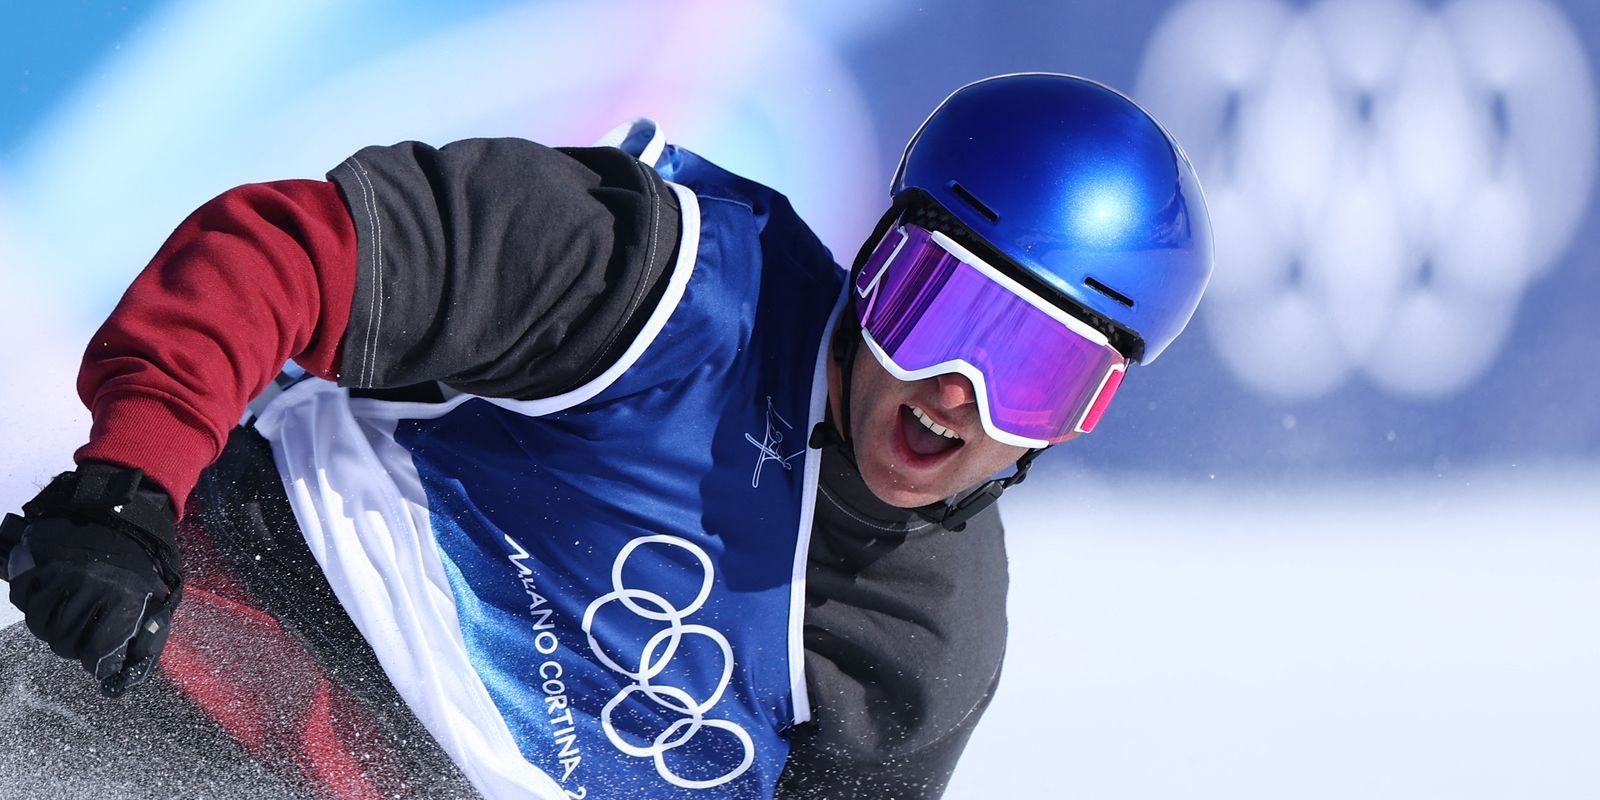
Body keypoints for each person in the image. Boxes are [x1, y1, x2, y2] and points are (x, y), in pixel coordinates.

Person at [0, 73, 1211, 799]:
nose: (959, 393)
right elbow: (290, 249)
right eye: (938, 311)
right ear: (877, 260)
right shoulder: (658, 280)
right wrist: (128, 488)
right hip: (186, 680)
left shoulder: (927, 639)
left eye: (1037, 376)